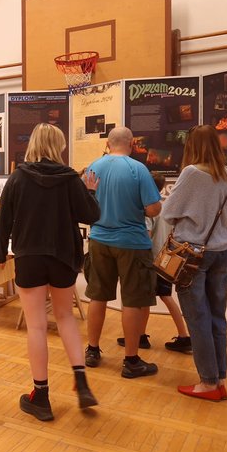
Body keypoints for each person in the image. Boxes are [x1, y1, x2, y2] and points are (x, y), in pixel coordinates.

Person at [0, 123, 101, 422]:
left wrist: (0, 255)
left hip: (29, 257)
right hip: (63, 257)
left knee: (37, 326)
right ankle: (80, 379)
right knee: (65, 317)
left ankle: (40, 396)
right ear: (59, 146)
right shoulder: (71, 179)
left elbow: (3, 220)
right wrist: (91, 191)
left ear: (33, 144)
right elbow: (91, 215)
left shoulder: (18, 178)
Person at [161, 124, 227, 401]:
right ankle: (219, 377)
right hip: (220, 250)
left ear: (192, 145)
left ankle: (208, 382)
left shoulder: (191, 173)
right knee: (217, 316)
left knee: (197, 317)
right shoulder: (226, 173)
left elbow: (168, 213)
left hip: (192, 253)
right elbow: (226, 209)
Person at [83, 126, 162, 378]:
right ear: (131, 143)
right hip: (132, 243)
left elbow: (85, 203)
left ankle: (92, 350)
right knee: (133, 301)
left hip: (99, 240)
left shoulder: (93, 166)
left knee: (97, 296)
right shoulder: (138, 169)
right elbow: (153, 209)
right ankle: (131, 360)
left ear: (108, 143)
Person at [116, 171, 191, 352]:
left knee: (146, 299)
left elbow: (146, 236)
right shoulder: (165, 206)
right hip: (165, 259)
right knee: (162, 297)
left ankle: (143, 336)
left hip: (151, 260)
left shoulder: (148, 211)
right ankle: (179, 336)